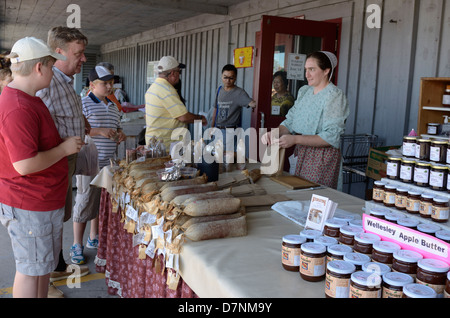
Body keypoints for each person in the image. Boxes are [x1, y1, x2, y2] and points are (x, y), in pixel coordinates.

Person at [0, 37, 83, 298]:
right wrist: (64, 149)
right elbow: (24, 164)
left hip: (41, 202)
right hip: (29, 203)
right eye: (51, 64)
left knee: (40, 268)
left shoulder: (28, 98)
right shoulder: (18, 106)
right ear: (39, 68)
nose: (54, 70)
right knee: (30, 270)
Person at [36, 26, 90, 297]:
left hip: (65, 163)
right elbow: (39, 131)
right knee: (47, 222)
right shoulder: (47, 84)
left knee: (60, 218)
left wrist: (82, 123)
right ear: (58, 52)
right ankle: (42, 284)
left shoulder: (65, 81)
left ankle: (56, 265)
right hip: (52, 165)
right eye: (78, 54)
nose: (83, 59)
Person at [262, 51, 349, 189]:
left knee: (313, 199)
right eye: (306, 70)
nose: (306, 74)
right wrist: (274, 133)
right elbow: (290, 121)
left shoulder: (334, 96)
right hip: (301, 152)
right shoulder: (305, 92)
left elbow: (330, 137)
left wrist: (295, 140)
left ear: (326, 71)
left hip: (322, 158)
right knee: (298, 195)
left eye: (312, 69)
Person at [71, 65, 126, 265]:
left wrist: (120, 134)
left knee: (100, 202)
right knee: (84, 202)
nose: (109, 87)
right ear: (92, 85)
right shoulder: (83, 104)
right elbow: (78, 131)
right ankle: (77, 244)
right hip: (88, 162)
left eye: (111, 83)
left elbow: (118, 128)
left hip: (107, 163)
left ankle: (94, 237)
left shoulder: (113, 106)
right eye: (105, 83)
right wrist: (99, 131)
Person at [145, 56, 206, 150]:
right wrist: (200, 118)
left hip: (155, 144)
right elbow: (183, 117)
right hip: (168, 147)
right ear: (173, 73)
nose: (179, 75)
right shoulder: (166, 90)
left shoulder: (152, 88)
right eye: (179, 72)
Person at [210, 64, 256, 153]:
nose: (228, 80)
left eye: (231, 78)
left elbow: (252, 103)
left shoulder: (239, 92)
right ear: (221, 76)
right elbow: (216, 109)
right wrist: (212, 127)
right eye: (225, 77)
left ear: (235, 78)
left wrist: (254, 103)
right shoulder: (219, 90)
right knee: (216, 156)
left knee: (225, 158)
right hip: (217, 129)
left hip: (229, 131)